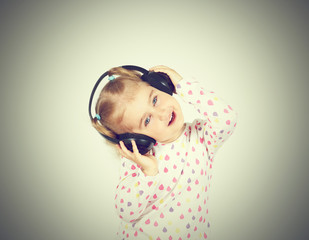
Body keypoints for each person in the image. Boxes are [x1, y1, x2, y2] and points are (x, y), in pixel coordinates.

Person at [91, 65, 237, 239]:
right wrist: (148, 174)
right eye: (146, 120)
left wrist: (184, 86)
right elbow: (125, 211)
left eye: (154, 100)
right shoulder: (140, 159)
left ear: (161, 85)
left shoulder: (200, 137)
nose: (161, 113)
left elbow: (227, 118)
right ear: (135, 139)